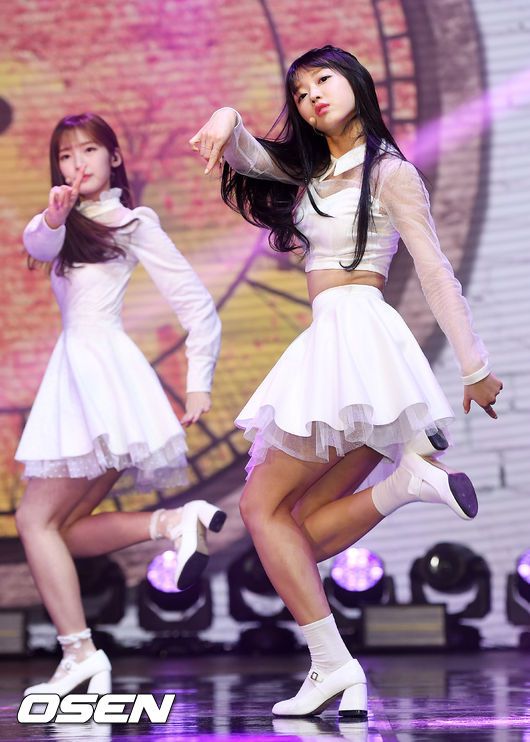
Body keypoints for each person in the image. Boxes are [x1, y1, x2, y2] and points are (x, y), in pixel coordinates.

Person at [189, 46, 503, 718]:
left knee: (259, 509)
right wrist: (226, 115)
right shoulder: (313, 170)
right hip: (348, 353)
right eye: (300, 92)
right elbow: (249, 156)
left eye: (323, 81)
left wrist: (474, 366)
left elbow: (435, 270)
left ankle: (334, 666)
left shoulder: (390, 172)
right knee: (297, 530)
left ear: (356, 81)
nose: (312, 97)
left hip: (354, 341)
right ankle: (404, 486)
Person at [15, 113, 224, 697]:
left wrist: (199, 382)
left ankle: (79, 653)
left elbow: (196, 305)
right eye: (65, 155)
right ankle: (175, 522)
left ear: (114, 157)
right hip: (84, 381)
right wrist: (55, 215)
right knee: (61, 530)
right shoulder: (61, 221)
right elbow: (36, 241)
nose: (76, 163)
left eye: (88, 150)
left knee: (34, 521)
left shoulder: (132, 221)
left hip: (100, 380)